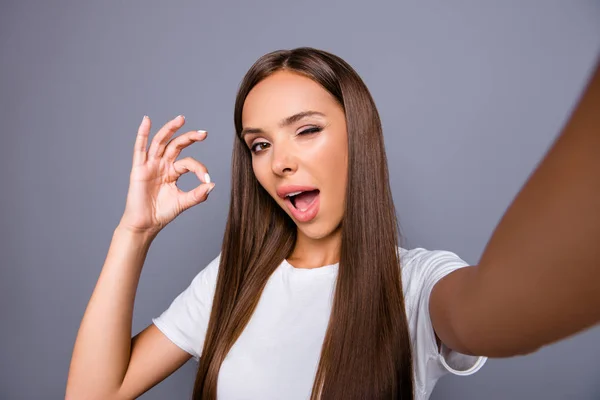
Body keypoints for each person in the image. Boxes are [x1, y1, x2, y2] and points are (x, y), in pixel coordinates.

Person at [66, 48, 600, 400]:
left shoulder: (414, 285)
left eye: (307, 130)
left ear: (358, 137)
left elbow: (505, 308)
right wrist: (132, 234)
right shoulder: (231, 280)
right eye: (260, 144)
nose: (279, 162)